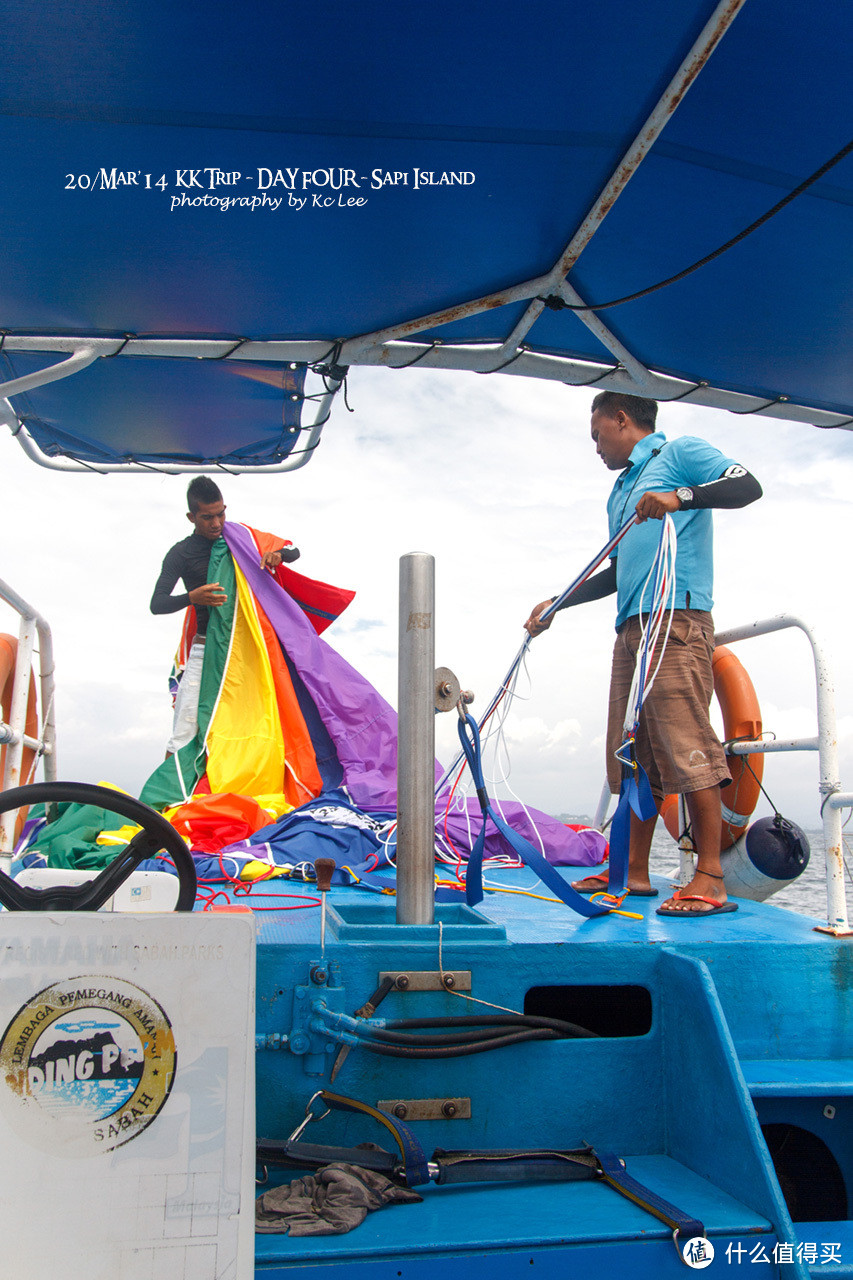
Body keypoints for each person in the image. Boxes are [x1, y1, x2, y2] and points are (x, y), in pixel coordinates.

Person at [525, 392, 762, 918]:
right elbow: (615, 572)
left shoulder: (678, 454)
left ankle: (710, 876)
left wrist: (680, 495)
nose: (596, 447)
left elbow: (747, 486)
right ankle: (630, 872)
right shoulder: (619, 492)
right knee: (631, 756)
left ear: (621, 419)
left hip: (675, 618)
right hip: (631, 629)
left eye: (597, 435)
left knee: (687, 745)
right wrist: (558, 603)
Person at [150, 476, 300, 754]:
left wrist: (277, 554)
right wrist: (191, 598)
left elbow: (294, 550)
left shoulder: (242, 539)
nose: (216, 523)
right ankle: (170, 795)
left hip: (247, 650)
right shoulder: (180, 554)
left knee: (256, 725)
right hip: (205, 648)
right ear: (191, 516)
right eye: (207, 517)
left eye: (221, 513)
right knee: (184, 729)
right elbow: (157, 604)